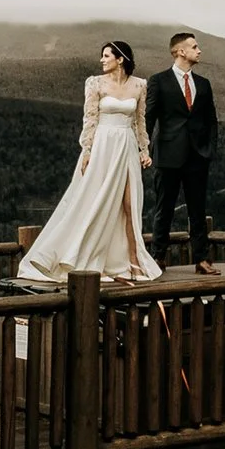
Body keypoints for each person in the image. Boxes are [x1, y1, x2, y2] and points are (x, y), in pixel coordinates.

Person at [15, 40, 162, 285]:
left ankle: (134, 262)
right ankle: (90, 260)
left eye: (106, 56)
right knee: (97, 201)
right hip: (103, 146)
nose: (102, 60)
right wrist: (87, 151)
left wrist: (144, 149)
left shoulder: (139, 85)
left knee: (129, 204)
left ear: (120, 59)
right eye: (102, 56)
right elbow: (90, 119)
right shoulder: (95, 83)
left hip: (126, 145)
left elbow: (140, 120)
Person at [146, 32, 219, 273]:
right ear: (180, 52)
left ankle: (201, 260)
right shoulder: (159, 81)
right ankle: (157, 258)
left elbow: (211, 121)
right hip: (167, 154)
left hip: (198, 156)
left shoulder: (204, 84)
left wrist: (210, 150)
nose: (199, 51)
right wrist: (143, 149)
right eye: (194, 47)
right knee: (163, 208)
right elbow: (149, 118)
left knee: (198, 210)